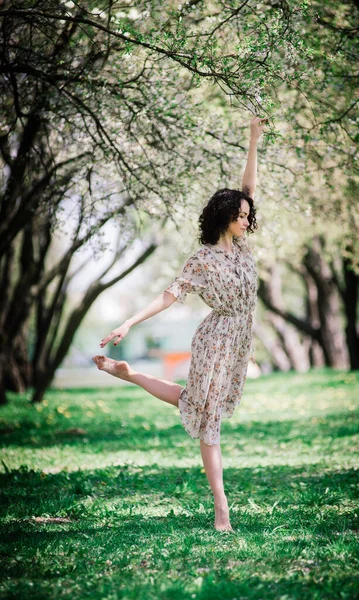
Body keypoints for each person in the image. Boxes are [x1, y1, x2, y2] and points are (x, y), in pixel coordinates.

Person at [93, 116, 267, 532]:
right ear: (224, 216)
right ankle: (222, 508)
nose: (246, 219)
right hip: (216, 338)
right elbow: (168, 296)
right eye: (240, 215)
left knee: (194, 404)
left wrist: (253, 141)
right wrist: (129, 323)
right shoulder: (203, 259)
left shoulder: (241, 247)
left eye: (247, 215)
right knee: (208, 420)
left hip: (240, 339)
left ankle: (129, 375)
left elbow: (249, 190)